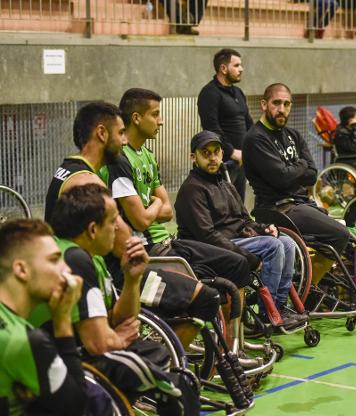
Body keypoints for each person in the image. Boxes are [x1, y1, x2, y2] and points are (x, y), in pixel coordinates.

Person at [43, 101, 219, 348]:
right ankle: (165, 370)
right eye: (120, 133)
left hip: (97, 270)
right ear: (102, 134)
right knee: (206, 299)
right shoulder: (86, 181)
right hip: (109, 276)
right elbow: (123, 243)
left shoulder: (68, 170)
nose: (124, 141)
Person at [48, 184, 200, 415]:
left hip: (83, 355)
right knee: (176, 386)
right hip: (62, 362)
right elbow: (98, 343)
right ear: (92, 230)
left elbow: (119, 318)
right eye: (113, 221)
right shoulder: (74, 258)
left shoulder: (92, 258)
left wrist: (132, 279)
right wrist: (117, 339)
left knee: (154, 354)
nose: (119, 228)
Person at [100, 88, 250, 290]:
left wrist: (150, 207)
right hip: (147, 247)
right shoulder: (120, 159)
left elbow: (167, 211)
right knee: (210, 290)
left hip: (168, 241)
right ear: (136, 118)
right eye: (155, 114)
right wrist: (155, 204)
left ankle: (239, 322)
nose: (160, 121)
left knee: (237, 263)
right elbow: (141, 220)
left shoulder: (148, 155)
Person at [175, 131, 305, 325]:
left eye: (216, 152)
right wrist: (249, 258)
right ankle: (266, 314)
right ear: (193, 157)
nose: (212, 158)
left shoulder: (225, 185)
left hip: (234, 239)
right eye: (205, 153)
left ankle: (279, 306)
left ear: (222, 154)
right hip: (209, 249)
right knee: (273, 246)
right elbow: (206, 236)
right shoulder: (192, 189)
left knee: (286, 242)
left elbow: (244, 219)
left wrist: (263, 229)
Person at [242, 83, 350, 283]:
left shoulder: (294, 135)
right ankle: (308, 293)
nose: (281, 109)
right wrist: (299, 165)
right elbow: (281, 179)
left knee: (349, 237)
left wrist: (292, 170)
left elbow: (312, 175)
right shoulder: (256, 138)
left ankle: (309, 282)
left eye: (286, 104)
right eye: (276, 103)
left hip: (301, 204)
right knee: (340, 235)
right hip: (277, 208)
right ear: (264, 104)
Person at [0, 219, 86, 416]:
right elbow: (76, 407)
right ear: (22, 270)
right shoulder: (22, 341)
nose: (68, 270)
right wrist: (62, 320)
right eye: (55, 259)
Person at [197, 48, 253, 200]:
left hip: (241, 161)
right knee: (222, 205)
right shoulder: (210, 93)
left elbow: (249, 124)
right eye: (236, 65)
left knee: (238, 204)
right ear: (223, 68)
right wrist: (232, 152)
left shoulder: (238, 93)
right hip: (222, 162)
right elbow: (211, 128)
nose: (241, 69)